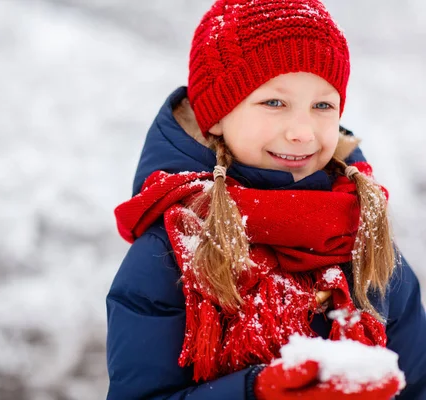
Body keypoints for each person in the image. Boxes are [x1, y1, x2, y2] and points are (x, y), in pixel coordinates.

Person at [105, 0, 426, 399]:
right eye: (274, 103)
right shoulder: (171, 253)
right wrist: (254, 392)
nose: (302, 132)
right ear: (217, 116)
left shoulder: (366, 244)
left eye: (322, 105)